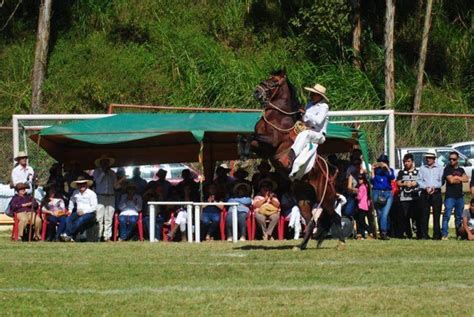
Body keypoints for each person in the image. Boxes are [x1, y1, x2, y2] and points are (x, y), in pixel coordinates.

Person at [289, 84, 329, 179]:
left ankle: (292, 154)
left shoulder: (324, 106)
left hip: (318, 135)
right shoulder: (309, 105)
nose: (311, 95)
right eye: (311, 93)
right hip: (307, 130)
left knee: (306, 134)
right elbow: (305, 120)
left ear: (319, 96)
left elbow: (318, 121)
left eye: (314, 94)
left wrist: (306, 114)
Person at [441, 151, 469, 240]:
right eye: (450, 159)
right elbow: (451, 181)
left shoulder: (461, 169)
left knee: (459, 217)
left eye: (454, 159)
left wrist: (457, 178)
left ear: (457, 159)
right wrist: (459, 179)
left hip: (460, 197)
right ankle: (444, 234)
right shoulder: (447, 169)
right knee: (447, 215)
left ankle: (459, 235)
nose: (451, 161)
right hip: (450, 197)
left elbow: (466, 179)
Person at [418, 151, 444, 240]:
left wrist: (434, 187)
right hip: (425, 194)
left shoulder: (440, 168)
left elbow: (441, 181)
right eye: (427, 157)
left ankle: (436, 235)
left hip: (436, 193)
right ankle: (424, 235)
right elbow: (419, 180)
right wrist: (425, 187)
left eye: (430, 157)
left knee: (436, 216)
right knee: (424, 216)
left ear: (434, 159)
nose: (428, 159)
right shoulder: (422, 168)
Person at [62, 177, 97, 242]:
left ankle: (67, 234)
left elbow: (94, 207)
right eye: (80, 184)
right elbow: (72, 201)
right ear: (77, 185)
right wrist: (70, 210)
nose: (82, 185)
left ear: (86, 184)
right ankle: (71, 237)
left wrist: (84, 212)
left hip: (90, 213)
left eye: (83, 183)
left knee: (80, 220)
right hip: (78, 212)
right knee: (68, 219)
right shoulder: (75, 192)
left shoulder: (91, 193)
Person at [92, 154, 118, 242]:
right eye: (103, 162)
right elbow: (97, 182)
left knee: (109, 217)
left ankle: (107, 236)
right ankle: (98, 236)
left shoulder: (112, 173)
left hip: (110, 196)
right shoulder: (96, 172)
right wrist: (103, 173)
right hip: (100, 196)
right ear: (100, 163)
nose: (105, 164)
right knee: (99, 217)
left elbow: (115, 185)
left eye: (107, 162)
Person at [371, 154, 395, 240]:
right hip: (377, 192)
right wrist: (373, 169)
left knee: (385, 213)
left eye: (384, 162)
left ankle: (384, 232)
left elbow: (392, 177)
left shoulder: (389, 170)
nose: (382, 164)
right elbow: (372, 180)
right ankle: (382, 231)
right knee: (380, 213)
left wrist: (387, 168)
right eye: (381, 162)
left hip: (387, 193)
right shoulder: (376, 170)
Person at [396, 153, 420, 239]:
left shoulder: (418, 172)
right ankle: (408, 233)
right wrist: (405, 183)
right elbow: (398, 182)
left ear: (412, 162)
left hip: (415, 198)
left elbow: (422, 182)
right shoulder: (401, 172)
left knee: (415, 216)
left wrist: (416, 183)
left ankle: (417, 232)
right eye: (404, 162)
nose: (406, 163)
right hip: (404, 198)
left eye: (408, 161)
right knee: (405, 216)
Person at [345, 151, 366, 218]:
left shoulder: (363, 172)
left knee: (362, 213)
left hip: (363, 196)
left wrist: (362, 172)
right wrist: (354, 189)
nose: (357, 166)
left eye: (358, 164)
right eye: (355, 164)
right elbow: (349, 186)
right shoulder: (351, 173)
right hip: (354, 195)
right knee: (348, 212)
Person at [355, 174, 374, 239]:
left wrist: (356, 195)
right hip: (365, 206)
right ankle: (367, 232)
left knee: (362, 221)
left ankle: (370, 231)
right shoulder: (365, 186)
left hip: (361, 206)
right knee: (362, 221)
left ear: (363, 180)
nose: (359, 180)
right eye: (359, 179)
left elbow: (359, 197)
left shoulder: (361, 187)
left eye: (361, 179)